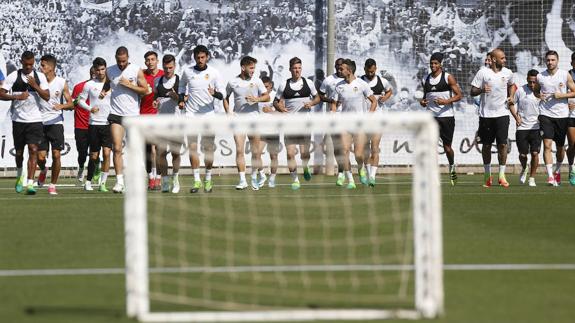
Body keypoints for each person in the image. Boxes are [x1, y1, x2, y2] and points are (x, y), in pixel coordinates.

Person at [0, 51, 50, 195]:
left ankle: (30, 183)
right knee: (20, 153)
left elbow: (46, 96)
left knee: (33, 150)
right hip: (18, 120)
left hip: (35, 120)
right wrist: (16, 96)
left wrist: (35, 85)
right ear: (21, 62)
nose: (28, 67)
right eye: (26, 64)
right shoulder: (14, 76)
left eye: (31, 64)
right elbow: (1, 93)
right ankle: (19, 176)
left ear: (34, 62)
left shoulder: (39, 77)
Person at [178, 45, 224, 193]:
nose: (200, 60)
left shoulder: (214, 73)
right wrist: (181, 99)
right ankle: (197, 180)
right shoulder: (187, 71)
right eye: (197, 57)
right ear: (194, 57)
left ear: (207, 57)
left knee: (208, 149)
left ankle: (208, 178)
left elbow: (222, 95)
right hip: (190, 115)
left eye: (202, 57)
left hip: (208, 115)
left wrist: (214, 93)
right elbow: (181, 87)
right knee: (192, 148)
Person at [273, 56, 321, 190]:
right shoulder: (284, 84)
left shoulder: (308, 83)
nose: (297, 70)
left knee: (304, 154)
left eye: (299, 68)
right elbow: (275, 102)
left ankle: (305, 167)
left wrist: (311, 103)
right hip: (290, 125)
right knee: (290, 153)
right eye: (294, 68)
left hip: (304, 125)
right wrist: (280, 108)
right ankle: (295, 179)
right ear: (290, 69)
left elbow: (318, 98)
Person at [223, 56, 269, 190]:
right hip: (238, 120)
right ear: (243, 68)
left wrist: (256, 99)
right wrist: (228, 112)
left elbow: (267, 96)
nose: (253, 70)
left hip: (254, 120)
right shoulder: (232, 82)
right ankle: (242, 180)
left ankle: (261, 173)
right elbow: (225, 97)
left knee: (256, 153)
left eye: (254, 67)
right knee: (239, 150)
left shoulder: (257, 81)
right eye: (251, 68)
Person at [470, 48, 514, 188]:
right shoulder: (483, 72)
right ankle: (487, 175)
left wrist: (511, 96)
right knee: (487, 145)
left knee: (502, 144)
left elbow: (512, 85)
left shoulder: (508, 73)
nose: (505, 60)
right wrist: (482, 90)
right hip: (486, 116)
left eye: (505, 57)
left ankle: (502, 175)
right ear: (494, 59)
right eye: (502, 58)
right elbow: (472, 91)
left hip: (502, 114)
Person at [329, 59, 377, 189]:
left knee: (358, 155)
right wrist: (333, 114)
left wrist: (369, 115)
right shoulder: (339, 85)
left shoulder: (362, 84)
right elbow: (333, 103)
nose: (339, 70)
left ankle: (361, 169)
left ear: (349, 71)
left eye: (342, 69)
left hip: (359, 125)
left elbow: (374, 101)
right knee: (344, 151)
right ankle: (350, 180)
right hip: (344, 124)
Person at [107, 46, 149, 193]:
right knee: (117, 148)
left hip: (132, 115)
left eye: (124, 61)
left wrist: (129, 85)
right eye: (119, 61)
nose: (121, 64)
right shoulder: (110, 70)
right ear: (115, 58)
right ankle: (119, 182)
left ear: (128, 57)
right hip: (116, 114)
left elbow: (145, 90)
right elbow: (107, 84)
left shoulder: (136, 70)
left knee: (135, 149)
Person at [419, 52, 463, 186]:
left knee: (447, 147)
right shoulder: (425, 79)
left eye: (435, 63)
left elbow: (459, 95)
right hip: (431, 117)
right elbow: (425, 97)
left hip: (446, 117)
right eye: (431, 63)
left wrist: (446, 101)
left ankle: (452, 167)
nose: (433, 65)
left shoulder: (448, 77)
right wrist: (422, 102)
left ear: (441, 64)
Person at [536, 50, 575, 186]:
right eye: (548, 60)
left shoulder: (565, 75)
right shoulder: (540, 76)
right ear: (545, 61)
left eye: (553, 60)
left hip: (562, 115)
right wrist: (538, 95)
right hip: (545, 114)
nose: (550, 62)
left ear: (557, 61)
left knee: (560, 147)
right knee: (546, 145)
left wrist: (562, 96)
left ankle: (557, 170)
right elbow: (536, 90)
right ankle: (551, 176)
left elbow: (574, 92)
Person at [37, 54, 74, 195]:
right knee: (41, 157)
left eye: (43, 65)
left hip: (56, 123)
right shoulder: (37, 81)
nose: (41, 68)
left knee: (56, 155)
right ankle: (43, 169)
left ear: (51, 67)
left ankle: (52, 185)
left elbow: (71, 104)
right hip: (40, 123)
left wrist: (62, 106)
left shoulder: (61, 82)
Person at [77, 57, 113, 192]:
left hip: (108, 123)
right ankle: (88, 181)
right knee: (94, 155)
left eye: (103, 69)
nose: (101, 72)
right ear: (94, 70)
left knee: (107, 153)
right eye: (98, 70)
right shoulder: (89, 84)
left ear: (106, 68)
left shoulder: (111, 84)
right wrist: (89, 109)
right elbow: (80, 101)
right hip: (94, 123)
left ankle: (103, 183)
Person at [361, 58, 393, 186]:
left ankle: (372, 177)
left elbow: (390, 90)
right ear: (364, 69)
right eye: (368, 72)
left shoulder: (382, 81)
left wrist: (386, 96)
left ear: (376, 69)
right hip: (364, 119)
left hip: (378, 118)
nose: (370, 74)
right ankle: (368, 174)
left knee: (375, 147)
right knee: (365, 149)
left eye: (373, 72)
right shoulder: (360, 81)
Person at [154, 54, 182, 193]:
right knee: (161, 153)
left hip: (176, 123)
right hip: (162, 123)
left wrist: (175, 96)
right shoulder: (157, 81)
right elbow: (155, 98)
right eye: (165, 68)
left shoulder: (180, 81)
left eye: (170, 68)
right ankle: (165, 181)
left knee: (176, 153)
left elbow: (182, 101)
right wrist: (155, 102)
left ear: (175, 66)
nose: (168, 70)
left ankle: (175, 179)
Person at [510, 69, 541, 187]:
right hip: (522, 127)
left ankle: (532, 178)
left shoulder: (542, 91)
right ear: (527, 79)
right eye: (530, 82)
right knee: (523, 155)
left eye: (534, 82)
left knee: (534, 153)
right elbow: (511, 104)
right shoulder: (520, 90)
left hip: (536, 127)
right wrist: (516, 117)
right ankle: (524, 168)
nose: (532, 85)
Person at [141, 51, 164, 190]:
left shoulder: (164, 75)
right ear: (145, 62)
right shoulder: (141, 75)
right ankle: (150, 177)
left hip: (160, 117)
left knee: (160, 150)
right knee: (148, 150)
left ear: (157, 61)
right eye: (148, 60)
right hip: (144, 116)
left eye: (152, 59)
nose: (150, 62)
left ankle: (159, 178)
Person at [319, 58, 345, 181]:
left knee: (347, 146)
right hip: (333, 116)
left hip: (348, 116)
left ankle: (355, 169)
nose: (339, 69)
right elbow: (320, 95)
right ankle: (341, 172)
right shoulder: (328, 80)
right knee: (337, 146)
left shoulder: (352, 79)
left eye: (341, 67)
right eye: (337, 67)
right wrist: (331, 101)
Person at [71, 67, 95, 184]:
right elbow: (72, 104)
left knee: (94, 153)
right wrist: (76, 101)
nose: (95, 74)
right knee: (82, 153)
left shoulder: (105, 88)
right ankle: (81, 167)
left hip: (95, 124)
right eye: (93, 72)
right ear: (91, 73)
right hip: (81, 125)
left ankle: (91, 177)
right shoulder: (79, 87)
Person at [258, 76, 280, 188]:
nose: (264, 88)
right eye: (262, 86)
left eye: (266, 86)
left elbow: (282, 114)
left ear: (271, 86)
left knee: (274, 156)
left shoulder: (276, 96)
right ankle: (262, 175)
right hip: (261, 130)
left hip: (273, 130)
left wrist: (271, 111)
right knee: (256, 154)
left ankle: (272, 178)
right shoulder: (257, 95)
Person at [567, 52, 575, 185]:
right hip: (570, 115)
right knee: (573, 144)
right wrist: (567, 101)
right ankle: (571, 168)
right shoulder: (567, 75)